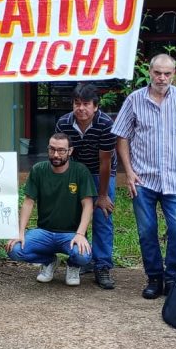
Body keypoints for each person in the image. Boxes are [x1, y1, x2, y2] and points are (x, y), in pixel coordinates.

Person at [112, 54, 176, 299]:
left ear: (174, 74)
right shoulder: (135, 99)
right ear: (150, 71)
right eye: (158, 73)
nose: (162, 78)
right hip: (143, 178)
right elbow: (122, 136)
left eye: (167, 73)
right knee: (147, 231)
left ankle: (173, 277)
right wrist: (129, 172)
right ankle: (154, 277)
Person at [6, 133, 95, 285]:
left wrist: (80, 234)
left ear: (70, 151)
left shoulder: (80, 171)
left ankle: (73, 266)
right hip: (44, 232)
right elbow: (28, 202)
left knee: (83, 256)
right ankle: (49, 261)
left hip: (71, 234)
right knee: (14, 249)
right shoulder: (38, 170)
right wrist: (20, 232)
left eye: (61, 150)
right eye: (52, 149)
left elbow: (88, 205)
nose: (55, 154)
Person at [54, 82, 117, 289]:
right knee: (75, 216)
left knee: (102, 215)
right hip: (75, 172)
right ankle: (83, 259)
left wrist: (102, 195)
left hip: (101, 171)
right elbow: (60, 154)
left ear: (95, 106)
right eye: (77, 103)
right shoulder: (63, 123)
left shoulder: (106, 124)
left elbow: (105, 162)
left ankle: (103, 265)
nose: (81, 108)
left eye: (86, 104)